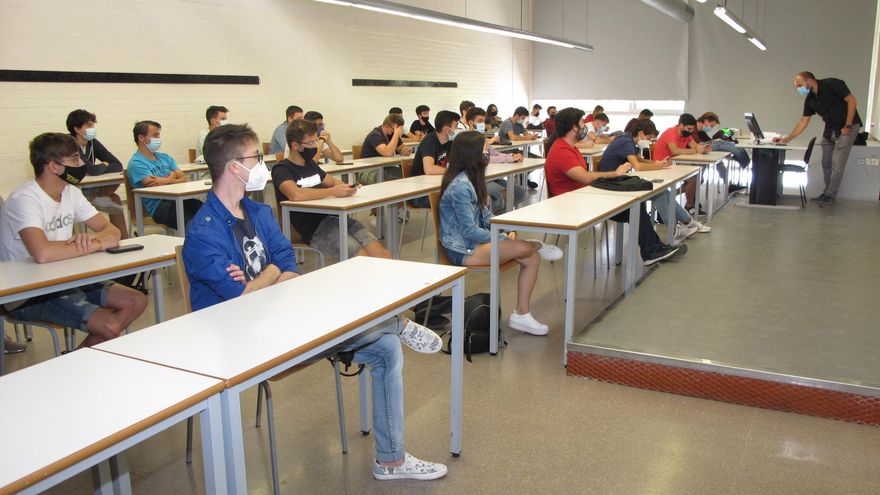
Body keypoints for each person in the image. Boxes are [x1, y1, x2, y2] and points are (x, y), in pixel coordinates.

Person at [184, 123, 447, 481]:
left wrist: (266, 277)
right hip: (239, 341)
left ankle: (391, 461)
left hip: (282, 316)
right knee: (373, 329)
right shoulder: (203, 232)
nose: (262, 164)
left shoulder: (259, 214)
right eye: (255, 158)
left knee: (386, 349)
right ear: (234, 167)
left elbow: (288, 265)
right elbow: (239, 299)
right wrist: (271, 273)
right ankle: (395, 323)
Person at [0, 133, 147, 347]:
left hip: (65, 277)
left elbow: (112, 231)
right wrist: (97, 243)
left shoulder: (71, 192)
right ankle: (71, 371)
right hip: (27, 291)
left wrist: (93, 239)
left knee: (136, 301)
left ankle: (78, 360)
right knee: (109, 326)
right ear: (53, 166)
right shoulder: (24, 199)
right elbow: (42, 253)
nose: (81, 165)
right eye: (75, 160)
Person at [438, 131, 561, 336]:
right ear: (472, 154)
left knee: (532, 258)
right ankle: (535, 244)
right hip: (461, 250)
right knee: (525, 249)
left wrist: (503, 229)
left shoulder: (470, 179)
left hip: (473, 243)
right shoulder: (460, 186)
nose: (489, 154)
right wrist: (502, 237)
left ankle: (521, 314)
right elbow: (470, 230)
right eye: (485, 150)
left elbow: (485, 216)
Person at [545, 108, 685, 266]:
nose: (585, 125)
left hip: (584, 196)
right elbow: (584, 176)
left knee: (636, 205)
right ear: (573, 127)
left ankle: (653, 249)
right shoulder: (562, 150)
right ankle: (652, 250)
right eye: (582, 122)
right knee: (634, 207)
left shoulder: (570, 146)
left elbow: (585, 177)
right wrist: (615, 174)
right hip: (572, 203)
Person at [273, 119, 391, 258]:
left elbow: (332, 181)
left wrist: (344, 187)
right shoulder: (282, 170)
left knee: (380, 252)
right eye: (310, 143)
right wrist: (332, 192)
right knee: (361, 257)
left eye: (315, 141)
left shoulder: (310, 165)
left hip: (335, 218)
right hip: (313, 228)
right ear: (295, 145)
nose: (314, 147)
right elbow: (295, 194)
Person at [598, 119, 710, 243]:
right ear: (641, 133)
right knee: (659, 192)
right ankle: (675, 230)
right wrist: (658, 166)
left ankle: (688, 223)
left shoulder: (627, 138)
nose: (649, 140)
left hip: (619, 180)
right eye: (648, 137)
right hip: (611, 184)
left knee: (663, 192)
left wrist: (656, 163)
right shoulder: (626, 141)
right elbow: (638, 166)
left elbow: (639, 159)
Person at [773, 71, 863, 207]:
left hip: (847, 128)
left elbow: (852, 100)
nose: (799, 89)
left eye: (799, 85)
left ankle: (830, 196)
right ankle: (827, 193)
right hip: (830, 129)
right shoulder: (810, 100)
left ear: (809, 80)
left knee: (837, 165)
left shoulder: (832, 84)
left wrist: (848, 125)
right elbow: (803, 121)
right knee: (826, 163)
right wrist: (787, 139)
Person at [127, 120, 203, 230]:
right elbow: (154, 186)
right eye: (155, 135)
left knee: (210, 215)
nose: (158, 139)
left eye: (158, 135)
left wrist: (166, 181)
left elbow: (183, 178)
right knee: (194, 226)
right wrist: (171, 176)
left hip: (180, 199)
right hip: (160, 207)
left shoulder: (165, 157)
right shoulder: (137, 163)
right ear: (141, 137)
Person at [65, 109, 128, 238]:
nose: (93, 128)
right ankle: (95, 198)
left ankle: (123, 239)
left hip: (91, 188)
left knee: (115, 197)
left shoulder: (92, 142)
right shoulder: (68, 143)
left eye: (93, 125)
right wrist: (103, 164)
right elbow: (92, 170)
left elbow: (117, 165)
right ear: (77, 128)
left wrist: (97, 167)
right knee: (114, 200)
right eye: (89, 125)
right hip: (74, 189)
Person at [464, 107, 527, 212]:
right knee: (499, 198)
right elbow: (485, 158)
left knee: (521, 193)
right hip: (476, 180)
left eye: (483, 121)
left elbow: (495, 154)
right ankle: (493, 224)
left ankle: (499, 223)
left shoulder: (481, 138)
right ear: (471, 123)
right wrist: (510, 158)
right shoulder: (465, 140)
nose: (482, 124)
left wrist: (513, 155)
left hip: (491, 178)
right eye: (479, 121)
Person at [653, 113, 711, 213]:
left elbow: (695, 146)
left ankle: (673, 194)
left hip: (676, 162)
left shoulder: (686, 134)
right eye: (689, 129)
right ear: (681, 125)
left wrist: (702, 148)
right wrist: (695, 150)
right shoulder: (670, 132)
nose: (691, 131)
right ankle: (689, 206)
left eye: (692, 129)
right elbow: (675, 151)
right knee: (694, 179)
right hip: (663, 164)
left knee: (699, 178)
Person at [695, 112, 750, 184]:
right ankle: (741, 158)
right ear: (706, 121)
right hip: (696, 152)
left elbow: (708, 141)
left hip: (703, 151)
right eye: (711, 126)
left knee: (719, 159)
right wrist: (714, 142)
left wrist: (713, 141)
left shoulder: (701, 132)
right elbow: (697, 144)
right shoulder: (692, 129)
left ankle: (728, 184)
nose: (711, 128)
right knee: (719, 144)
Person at [358, 114, 411, 184]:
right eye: (395, 129)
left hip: (385, 168)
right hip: (368, 170)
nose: (396, 131)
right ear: (386, 126)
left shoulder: (391, 134)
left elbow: (401, 147)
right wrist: (396, 134)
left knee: (408, 173)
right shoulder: (375, 135)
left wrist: (404, 150)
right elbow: (387, 153)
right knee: (398, 179)